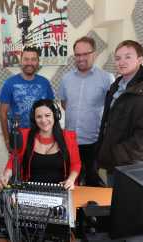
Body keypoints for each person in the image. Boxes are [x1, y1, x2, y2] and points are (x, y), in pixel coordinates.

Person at [97, 40, 143, 187]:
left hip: (132, 168)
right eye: (118, 58)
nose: (121, 62)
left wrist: (115, 154)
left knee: (126, 208)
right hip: (114, 165)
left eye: (128, 57)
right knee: (113, 204)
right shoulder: (116, 86)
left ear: (140, 59)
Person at [58, 37, 114, 186]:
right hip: (70, 140)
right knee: (70, 180)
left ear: (94, 54)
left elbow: (111, 108)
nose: (81, 58)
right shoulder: (66, 79)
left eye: (85, 54)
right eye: (77, 55)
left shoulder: (107, 78)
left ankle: (89, 209)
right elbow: (64, 104)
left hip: (93, 142)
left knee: (91, 180)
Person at [0, 99, 81, 190]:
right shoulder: (25, 135)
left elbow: (76, 164)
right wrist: (6, 175)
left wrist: (71, 180)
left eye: (47, 115)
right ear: (34, 119)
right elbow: (14, 160)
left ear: (55, 116)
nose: (43, 120)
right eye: (39, 117)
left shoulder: (69, 137)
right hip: (30, 189)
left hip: (60, 189)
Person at [0, 46, 54, 151]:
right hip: (18, 138)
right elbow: (2, 114)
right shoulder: (9, 83)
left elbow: (51, 111)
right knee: (18, 167)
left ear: (38, 62)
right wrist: (7, 140)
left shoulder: (45, 83)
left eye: (33, 59)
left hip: (42, 137)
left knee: (40, 167)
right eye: (26, 59)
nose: (30, 63)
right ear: (21, 61)